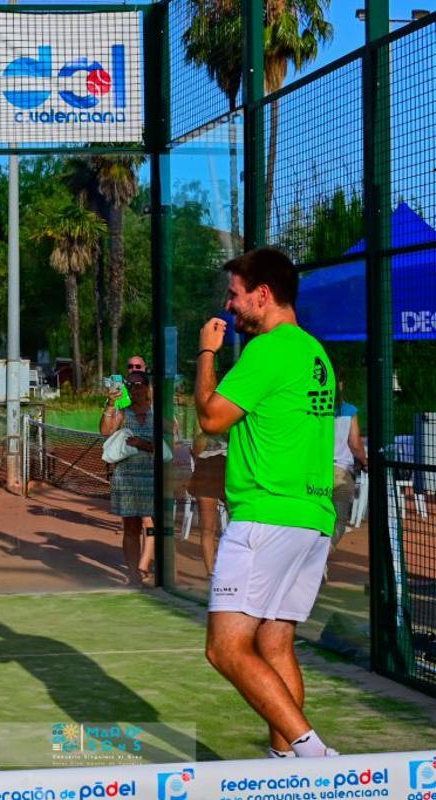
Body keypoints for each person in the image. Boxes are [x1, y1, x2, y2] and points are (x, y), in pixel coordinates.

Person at [195, 248, 337, 758]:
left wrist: (207, 353)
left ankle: (313, 755)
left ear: (263, 294)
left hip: (267, 517)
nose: (229, 308)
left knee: (225, 646)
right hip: (311, 519)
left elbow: (211, 418)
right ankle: (288, 763)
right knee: (274, 644)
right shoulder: (314, 353)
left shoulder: (269, 350)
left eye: (234, 295)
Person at [101, 370, 157, 586]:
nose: (136, 388)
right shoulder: (121, 413)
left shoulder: (158, 414)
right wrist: (109, 404)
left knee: (152, 524)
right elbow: (105, 432)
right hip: (127, 476)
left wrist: (143, 445)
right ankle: (134, 574)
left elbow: (170, 445)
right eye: (131, 385)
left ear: (147, 387)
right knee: (131, 527)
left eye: (140, 384)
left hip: (152, 476)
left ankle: (146, 567)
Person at [331, 382, 368, 550]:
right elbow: (355, 444)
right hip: (340, 472)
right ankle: (323, 555)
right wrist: (365, 461)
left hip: (314, 471)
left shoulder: (312, 408)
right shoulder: (349, 411)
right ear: (341, 385)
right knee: (339, 520)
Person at [190, 431, 229, 577]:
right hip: (210, 469)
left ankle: (216, 571)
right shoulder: (206, 429)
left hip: (224, 469)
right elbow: (196, 449)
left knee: (238, 524)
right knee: (208, 528)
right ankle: (211, 573)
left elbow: (195, 450)